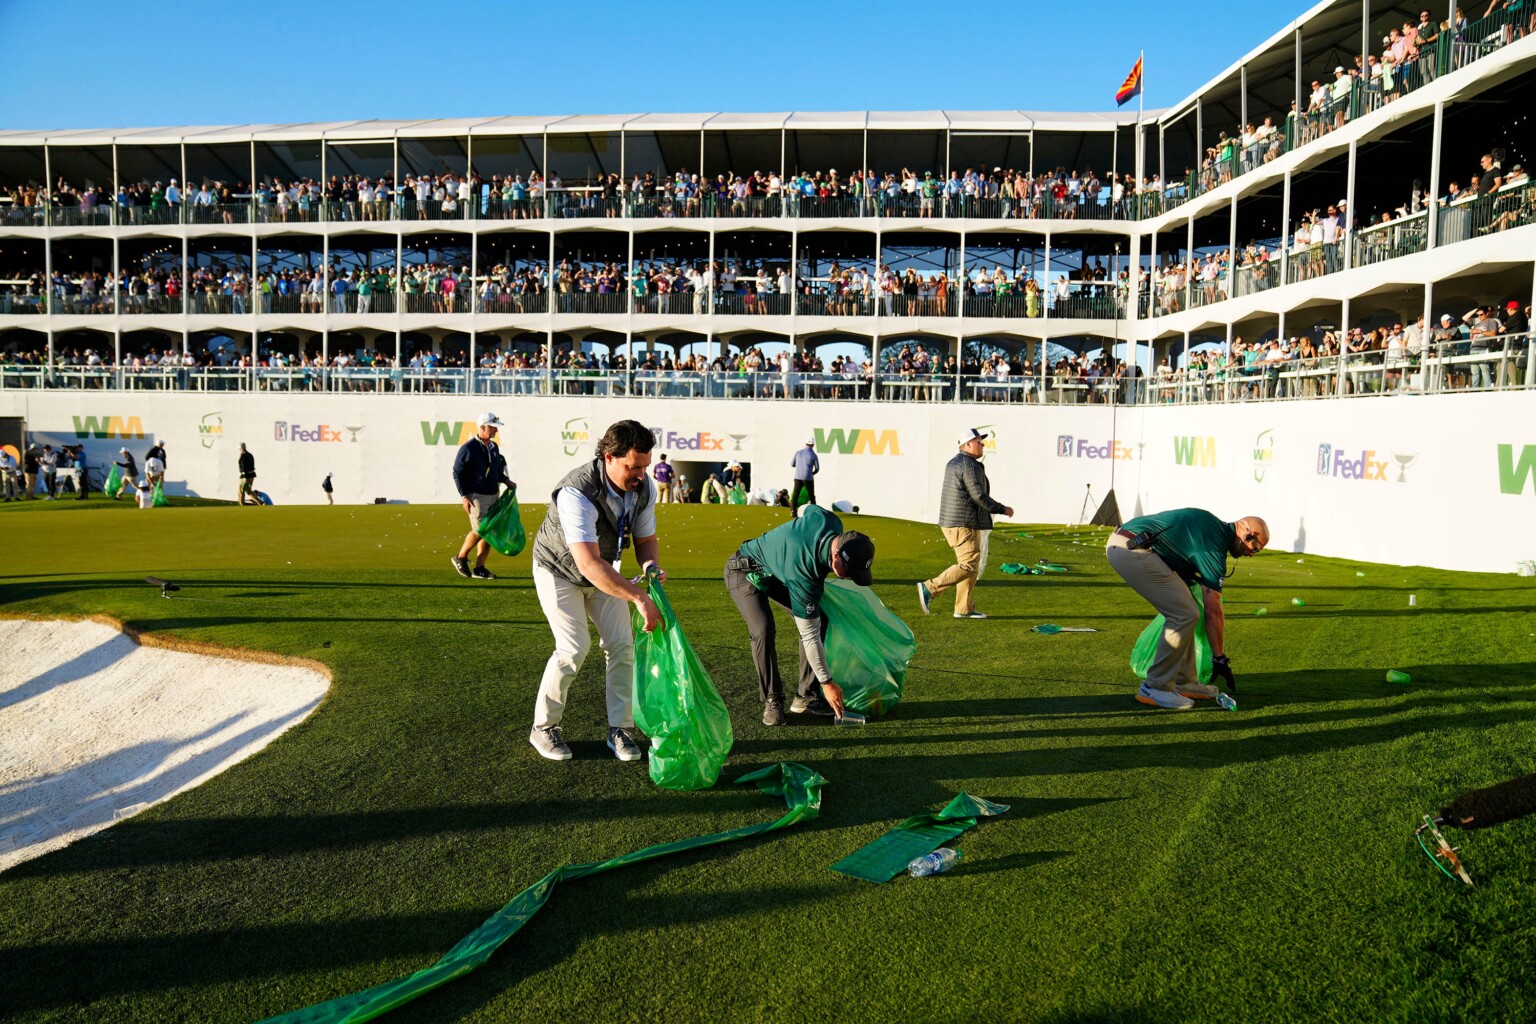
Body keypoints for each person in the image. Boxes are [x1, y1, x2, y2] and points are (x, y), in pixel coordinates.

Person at [527, 419, 662, 762]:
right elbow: (586, 563)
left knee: (622, 646)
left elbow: (645, 540)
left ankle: (620, 729)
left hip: (603, 568)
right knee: (573, 648)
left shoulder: (644, 488)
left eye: (645, 466)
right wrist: (638, 597)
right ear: (608, 456)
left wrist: (650, 568)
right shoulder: (576, 492)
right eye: (633, 466)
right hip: (558, 570)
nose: (641, 475)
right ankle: (543, 728)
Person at [724, 503, 876, 726]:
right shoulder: (805, 575)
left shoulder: (830, 521)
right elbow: (810, 636)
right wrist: (827, 682)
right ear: (835, 556)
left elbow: (807, 508)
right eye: (849, 572)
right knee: (763, 629)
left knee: (820, 618)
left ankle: (806, 697)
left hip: (778, 572)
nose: (849, 577)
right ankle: (772, 699)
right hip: (743, 571)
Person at [1105, 508, 1269, 710]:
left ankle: (1184, 681)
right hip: (1131, 549)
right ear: (1247, 534)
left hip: (1131, 544)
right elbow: (1213, 609)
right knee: (1184, 613)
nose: (1252, 554)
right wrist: (1219, 658)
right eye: (1256, 548)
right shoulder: (1214, 546)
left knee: (1190, 609)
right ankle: (1155, 687)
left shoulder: (1214, 529)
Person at [917, 428, 1013, 620]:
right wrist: (1002, 509)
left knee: (971, 565)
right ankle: (930, 587)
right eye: (979, 441)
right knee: (969, 566)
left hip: (957, 522)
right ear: (968, 444)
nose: (983, 444)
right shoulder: (969, 465)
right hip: (963, 523)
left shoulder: (956, 462)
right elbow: (978, 495)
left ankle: (963, 608)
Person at [451, 412, 513, 581]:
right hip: (475, 496)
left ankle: (480, 567)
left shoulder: (494, 447)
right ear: (483, 427)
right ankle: (461, 557)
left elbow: (495, 471)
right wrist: (464, 496)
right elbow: (457, 472)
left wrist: (506, 481)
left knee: (489, 531)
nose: (495, 431)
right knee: (481, 530)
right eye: (493, 428)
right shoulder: (468, 448)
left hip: (493, 493)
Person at [790, 436, 819, 512]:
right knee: (811, 496)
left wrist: (800, 466)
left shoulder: (798, 453)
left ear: (805, 443)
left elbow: (792, 464)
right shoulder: (814, 455)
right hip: (808, 478)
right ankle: (815, 512)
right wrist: (812, 473)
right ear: (813, 445)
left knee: (795, 494)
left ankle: (793, 511)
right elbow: (817, 468)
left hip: (798, 477)